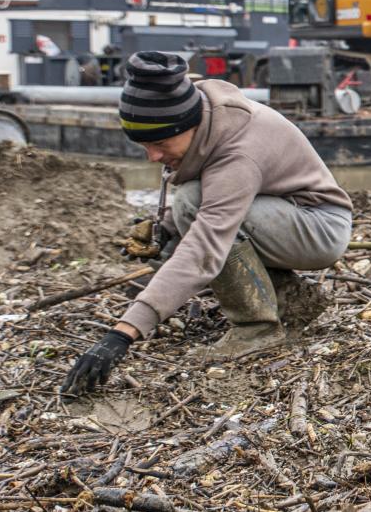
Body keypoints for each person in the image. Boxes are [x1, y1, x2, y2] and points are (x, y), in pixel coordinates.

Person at [61, 52, 353, 395]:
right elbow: (213, 196)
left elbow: (206, 244)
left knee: (192, 204)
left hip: (318, 228)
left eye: (160, 144)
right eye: (144, 146)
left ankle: (256, 330)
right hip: (281, 213)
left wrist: (124, 332)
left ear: (190, 127)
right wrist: (166, 227)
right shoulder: (205, 116)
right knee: (189, 203)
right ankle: (286, 297)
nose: (152, 156)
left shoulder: (239, 153)